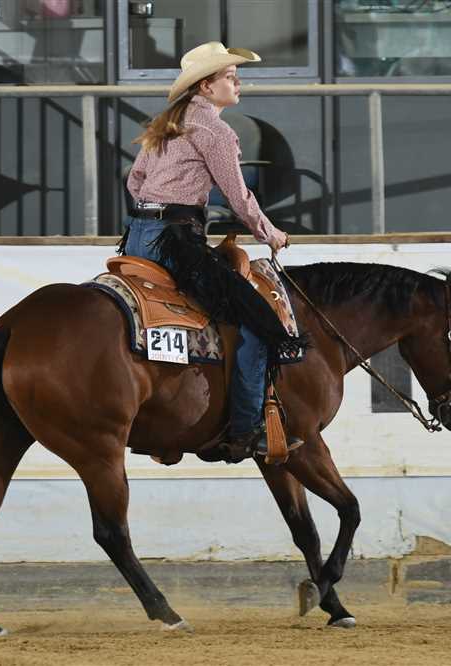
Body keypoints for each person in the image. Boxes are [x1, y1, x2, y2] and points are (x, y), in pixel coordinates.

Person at [122, 41, 304, 461]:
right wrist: (270, 233)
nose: (238, 83)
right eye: (230, 77)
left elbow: (135, 182)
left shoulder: (167, 124)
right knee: (261, 323)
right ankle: (246, 430)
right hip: (174, 242)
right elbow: (239, 197)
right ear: (206, 86)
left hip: (136, 237)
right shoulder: (216, 132)